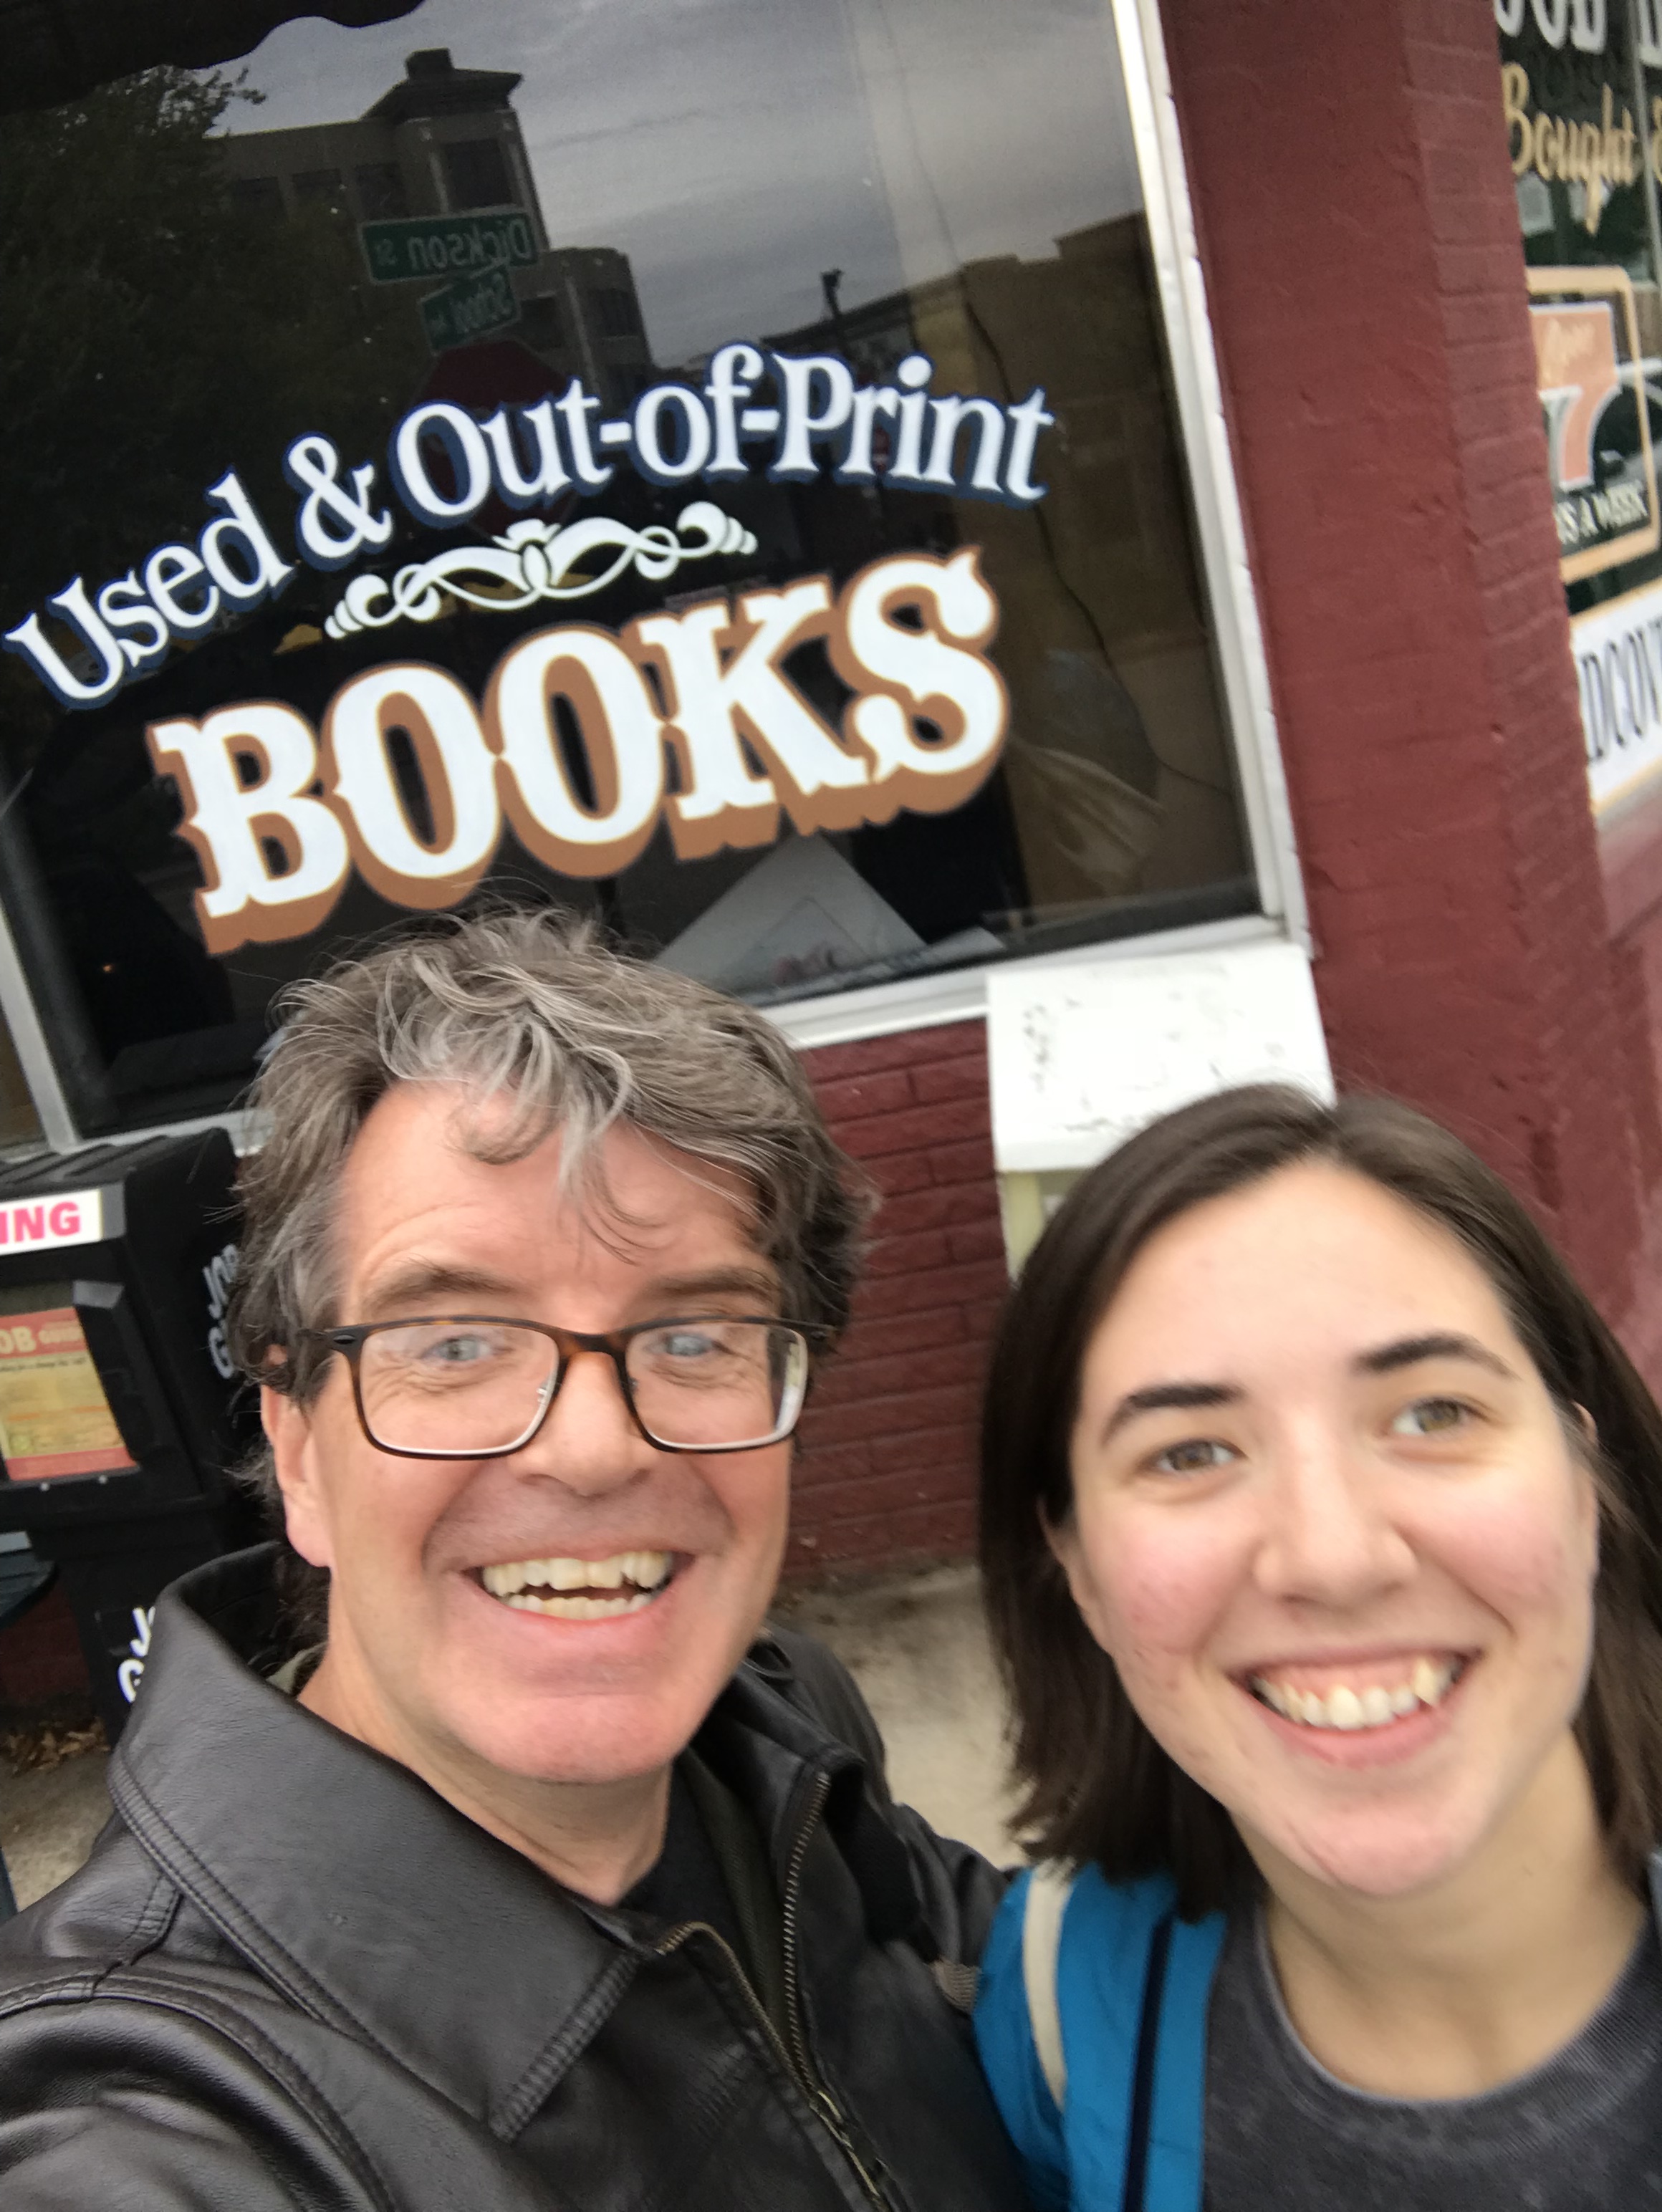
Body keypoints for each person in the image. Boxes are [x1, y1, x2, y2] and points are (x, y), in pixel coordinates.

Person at [0, 906, 1030, 2212]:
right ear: (299, 1452)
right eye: (454, 1344)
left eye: (695, 1337)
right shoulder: (148, 2111)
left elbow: (1052, 1969)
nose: (594, 1450)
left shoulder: (773, 1734)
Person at [972, 1083, 1662, 2212]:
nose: (1334, 1558)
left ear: (1586, 1486)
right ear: (1078, 1570)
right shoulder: (1058, 1997)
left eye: (1434, 1414)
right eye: (1190, 1453)